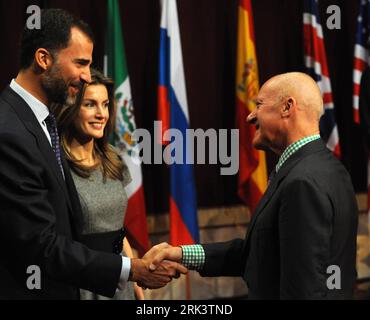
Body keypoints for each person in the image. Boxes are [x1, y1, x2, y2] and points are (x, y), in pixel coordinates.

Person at [0, 8, 185, 300]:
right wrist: (132, 270)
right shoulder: (10, 133)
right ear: (43, 59)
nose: (87, 76)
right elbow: (41, 245)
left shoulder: (38, 123)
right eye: (81, 63)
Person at [148, 72, 359, 299]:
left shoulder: (302, 182)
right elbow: (261, 253)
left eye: (259, 105)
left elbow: (303, 290)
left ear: (287, 107)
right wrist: (181, 253)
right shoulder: (328, 168)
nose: (250, 116)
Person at [53, 68, 144, 300]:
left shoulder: (113, 158)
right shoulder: (56, 165)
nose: (101, 113)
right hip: (83, 283)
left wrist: (134, 277)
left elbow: (118, 230)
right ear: (71, 109)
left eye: (105, 105)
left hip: (121, 280)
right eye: (90, 104)